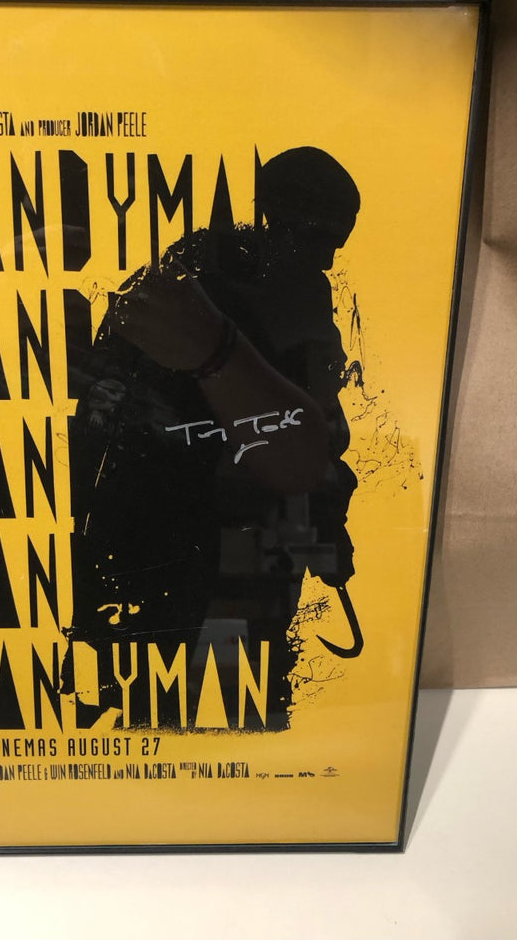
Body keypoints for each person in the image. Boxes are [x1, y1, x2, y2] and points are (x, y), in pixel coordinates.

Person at [63, 147, 361, 729]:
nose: (328, 257)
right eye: (319, 236)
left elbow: (315, 429)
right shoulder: (200, 286)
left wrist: (326, 521)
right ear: (277, 215)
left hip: (217, 545)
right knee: (179, 707)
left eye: (337, 242)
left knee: (212, 705)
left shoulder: (200, 277)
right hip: (178, 541)